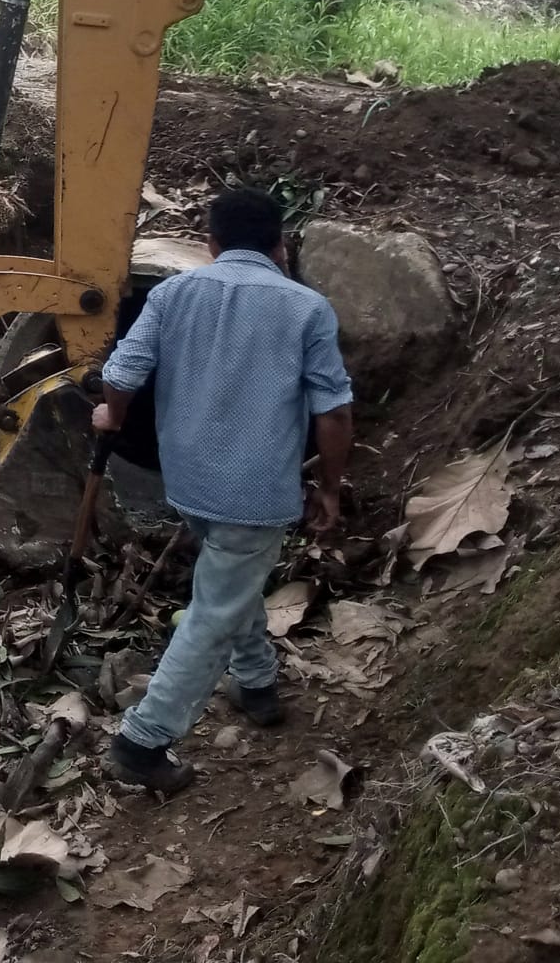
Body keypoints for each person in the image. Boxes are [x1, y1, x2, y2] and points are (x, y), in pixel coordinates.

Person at [95, 187, 354, 795]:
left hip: (187, 479)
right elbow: (335, 412)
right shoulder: (308, 308)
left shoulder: (171, 293)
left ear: (210, 245)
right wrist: (330, 487)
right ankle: (142, 741)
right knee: (216, 607)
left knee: (233, 581)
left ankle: (256, 684)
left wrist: (112, 415)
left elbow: (121, 373)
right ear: (280, 246)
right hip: (255, 490)